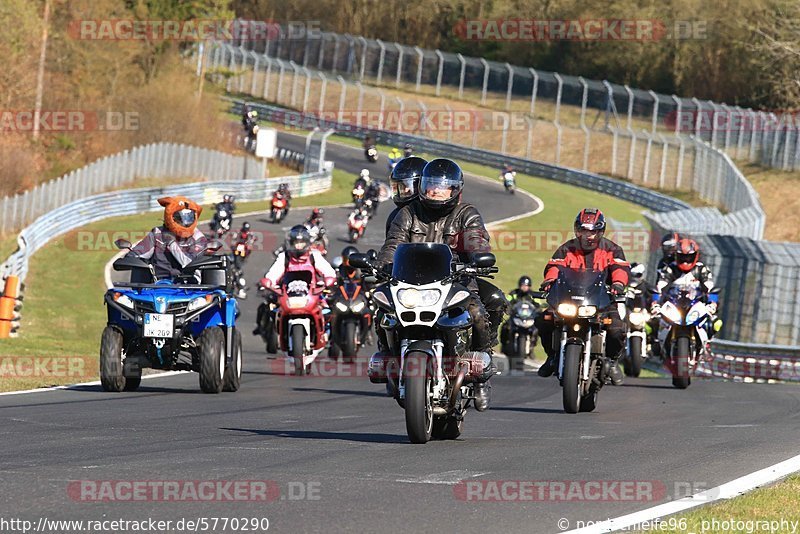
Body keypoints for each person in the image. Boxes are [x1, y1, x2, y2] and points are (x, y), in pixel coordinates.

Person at [377, 158, 499, 411]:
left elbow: (476, 238)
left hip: (456, 281)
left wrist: (477, 256)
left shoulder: (466, 213)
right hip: (410, 282)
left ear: (455, 190)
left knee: (476, 312)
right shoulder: (408, 213)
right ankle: (389, 358)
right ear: (422, 186)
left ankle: (480, 372)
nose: (435, 191)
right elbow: (394, 243)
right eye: (431, 185)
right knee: (381, 308)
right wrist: (383, 264)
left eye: (441, 187)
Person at [535, 208, 630, 385]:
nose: (589, 236)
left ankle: (611, 361)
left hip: (601, 302)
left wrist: (618, 283)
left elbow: (621, 269)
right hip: (568, 301)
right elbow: (554, 266)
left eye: (593, 231)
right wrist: (549, 281)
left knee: (617, 328)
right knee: (544, 319)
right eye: (584, 231)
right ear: (577, 230)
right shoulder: (566, 249)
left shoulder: (612, 249)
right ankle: (552, 356)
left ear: (600, 232)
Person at [652, 237, 721, 339]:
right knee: (654, 321)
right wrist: (655, 303)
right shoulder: (669, 269)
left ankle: (707, 343)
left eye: (689, 257)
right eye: (682, 257)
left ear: (695, 256)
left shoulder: (701, 269)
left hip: (695, 305)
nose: (685, 260)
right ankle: (657, 344)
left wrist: (712, 303)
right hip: (674, 305)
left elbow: (710, 288)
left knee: (715, 322)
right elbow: (660, 287)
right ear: (676, 256)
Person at [129, 196, 208, 280]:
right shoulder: (157, 233)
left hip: (190, 286)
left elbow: (188, 262)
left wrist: (171, 242)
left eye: (189, 217)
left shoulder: (198, 237)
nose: (185, 222)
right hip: (159, 285)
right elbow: (139, 253)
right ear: (171, 217)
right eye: (180, 218)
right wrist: (130, 256)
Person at [386, 156, 427, 235]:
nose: (405, 190)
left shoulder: (438, 214)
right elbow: (392, 244)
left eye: (408, 186)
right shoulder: (395, 216)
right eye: (402, 186)